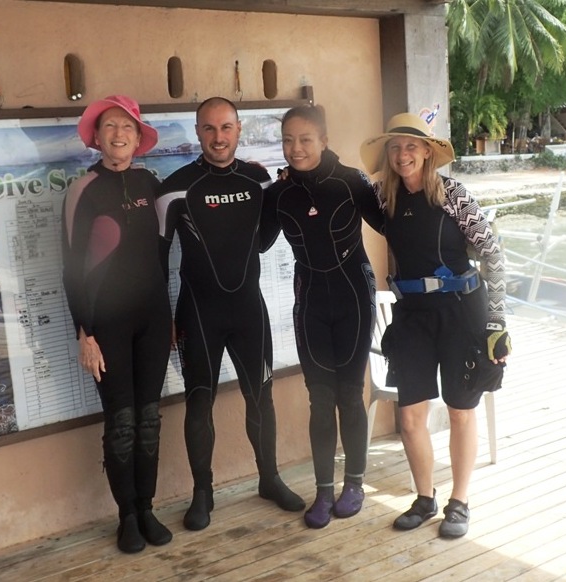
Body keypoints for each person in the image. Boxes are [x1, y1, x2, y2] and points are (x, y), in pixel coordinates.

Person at [155, 96, 305, 531]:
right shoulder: (175, 188)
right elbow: (157, 259)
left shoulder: (259, 180)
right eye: (209, 128)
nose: (218, 137)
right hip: (198, 311)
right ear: (198, 132)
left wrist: (282, 192)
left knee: (262, 396)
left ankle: (269, 478)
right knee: (198, 401)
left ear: (239, 129)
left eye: (226, 128)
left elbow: (260, 242)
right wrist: (164, 316)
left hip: (247, 310)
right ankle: (203, 494)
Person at [359, 112, 511, 538]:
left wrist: (497, 321)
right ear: (388, 155)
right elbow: (342, 191)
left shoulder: (453, 194)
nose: (403, 154)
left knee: (462, 412)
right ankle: (424, 499)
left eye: (411, 146)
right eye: (395, 147)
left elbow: (493, 255)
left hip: (462, 313)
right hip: (412, 318)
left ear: (427, 151)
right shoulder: (383, 197)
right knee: (409, 418)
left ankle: (458, 503)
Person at [261, 105, 384, 528]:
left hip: (353, 295)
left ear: (324, 140)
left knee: (350, 393)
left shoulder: (352, 182)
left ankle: (354, 483)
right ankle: (324, 491)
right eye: (288, 140)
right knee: (320, 397)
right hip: (310, 298)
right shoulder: (279, 194)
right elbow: (257, 243)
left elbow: (393, 225)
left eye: (305, 139)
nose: (295, 149)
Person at [61, 95, 173, 553]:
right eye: (109, 126)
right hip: (105, 326)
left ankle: (147, 507)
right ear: (97, 136)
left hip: (152, 319)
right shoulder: (82, 189)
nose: (119, 133)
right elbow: (70, 266)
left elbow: (165, 253)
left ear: (137, 134)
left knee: (149, 418)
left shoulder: (151, 183)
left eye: (126, 125)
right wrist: (83, 332)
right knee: (122, 421)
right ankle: (126, 514)